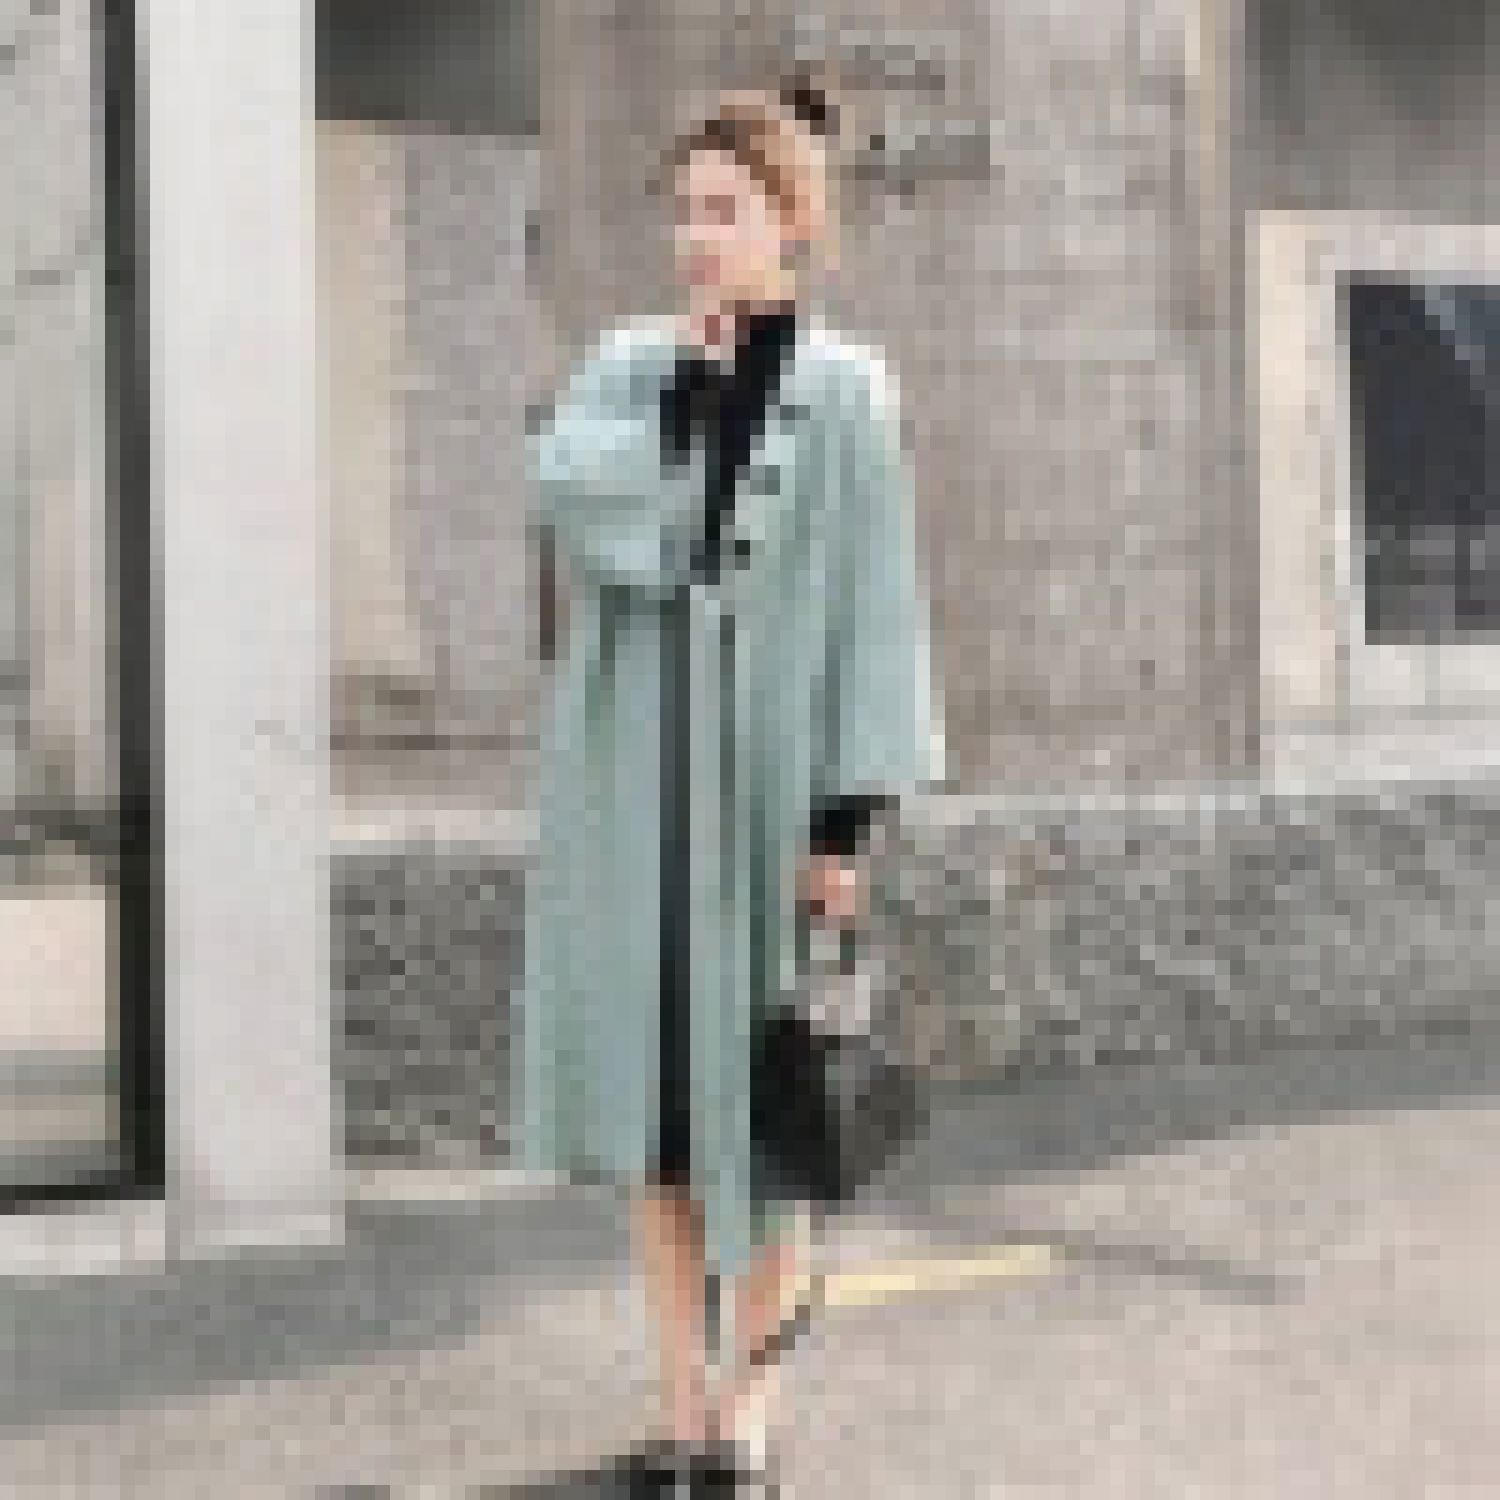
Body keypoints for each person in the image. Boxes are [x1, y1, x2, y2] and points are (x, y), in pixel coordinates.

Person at [514, 77, 944, 1493]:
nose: (695, 237)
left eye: (725, 210)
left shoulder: (849, 392)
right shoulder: (630, 366)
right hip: (636, 805)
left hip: (767, 814)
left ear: (792, 223)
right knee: (657, 1131)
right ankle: (684, 1411)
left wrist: (843, 825)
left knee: (769, 1125)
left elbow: (878, 612)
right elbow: (571, 501)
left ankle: (751, 1415)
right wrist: (684, 400)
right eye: (683, 211)